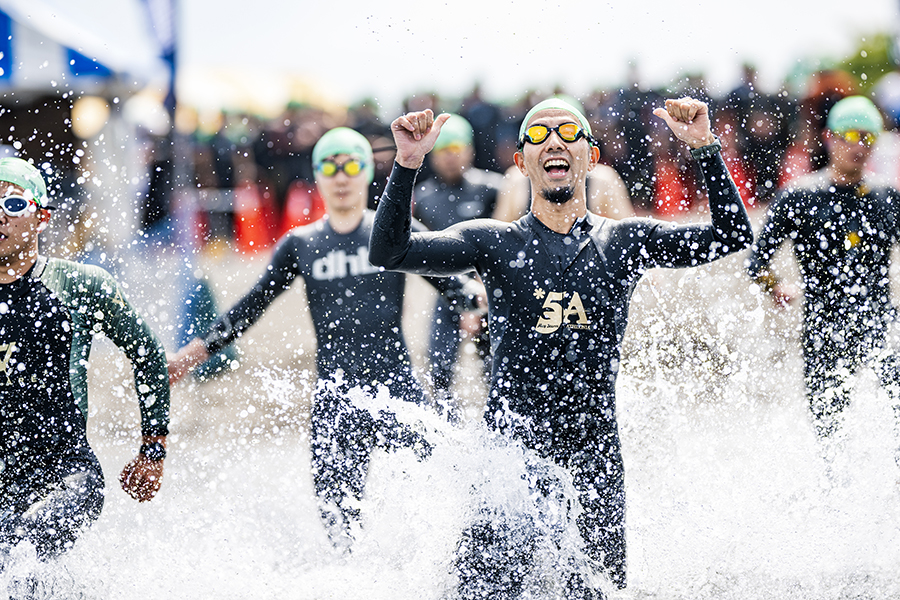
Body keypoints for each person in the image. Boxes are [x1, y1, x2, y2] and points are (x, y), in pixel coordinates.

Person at [369, 97, 751, 598]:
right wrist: (407, 164)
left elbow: (732, 234)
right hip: (509, 458)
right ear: (521, 163)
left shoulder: (626, 242)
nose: (554, 142)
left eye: (570, 133)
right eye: (539, 135)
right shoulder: (494, 242)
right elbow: (390, 251)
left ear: (591, 157)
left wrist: (704, 147)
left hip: (593, 460)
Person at [168, 127, 478, 550]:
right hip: (336, 397)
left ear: (367, 172)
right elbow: (254, 303)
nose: (342, 175)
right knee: (339, 531)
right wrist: (197, 350)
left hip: (397, 390)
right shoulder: (302, 243)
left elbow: (454, 286)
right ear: (317, 176)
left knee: (442, 499)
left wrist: (481, 308)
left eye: (352, 164)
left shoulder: (390, 233)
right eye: (330, 166)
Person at [0, 157, 170, 564]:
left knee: (20, 557)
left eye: (14, 205)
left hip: (66, 475)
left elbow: (146, 354)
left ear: (41, 218)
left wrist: (153, 449)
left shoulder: (80, 285)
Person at [747, 95, 900, 451]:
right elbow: (756, 263)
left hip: (880, 324)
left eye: (868, 137)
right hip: (823, 330)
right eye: (849, 136)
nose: (858, 146)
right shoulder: (799, 197)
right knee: (831, 439)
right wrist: (777, 286)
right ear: (830, 138)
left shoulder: (888, 197)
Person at [413, 114, 498, 397]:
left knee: (497, 370)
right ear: (432, 156)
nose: (449, 157)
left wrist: (478, 290)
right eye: (442, 151)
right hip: (447, 291)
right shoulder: (423, 197)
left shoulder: (492, 189)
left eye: (455, 149)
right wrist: (459, 295)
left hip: (491, 291)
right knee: (439, 370)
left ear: (469, 150)